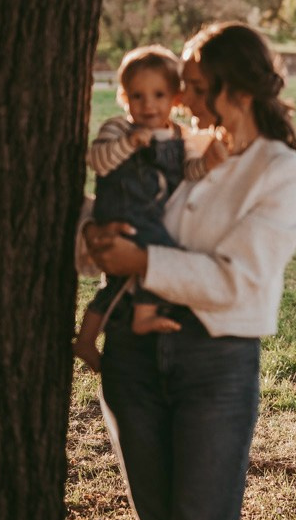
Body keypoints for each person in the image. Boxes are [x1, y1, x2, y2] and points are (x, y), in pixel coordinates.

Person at [78, 22, 296, 520]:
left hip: (214, 367)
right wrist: (95, 238)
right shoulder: (184, 151)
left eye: (194, 85)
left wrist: (144, 265)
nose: (179, 98)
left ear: (233, 88)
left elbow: (242, 281)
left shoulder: (279, 172)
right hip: (131, 364)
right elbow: (117, 220)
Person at [73, 45, 208, 369]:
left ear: (175, 97)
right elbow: (98, 161)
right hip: (121, 214)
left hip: (151, 216)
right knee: (164, 255)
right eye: (138, 96)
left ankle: (86, 340)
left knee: (118, 283)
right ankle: (143, 316)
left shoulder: (181, 136)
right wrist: (128, 144)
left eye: (159, 95)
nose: (148, 105)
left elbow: (190, 172)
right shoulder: (118, 129)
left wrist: (208, 163)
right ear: (124, 97)